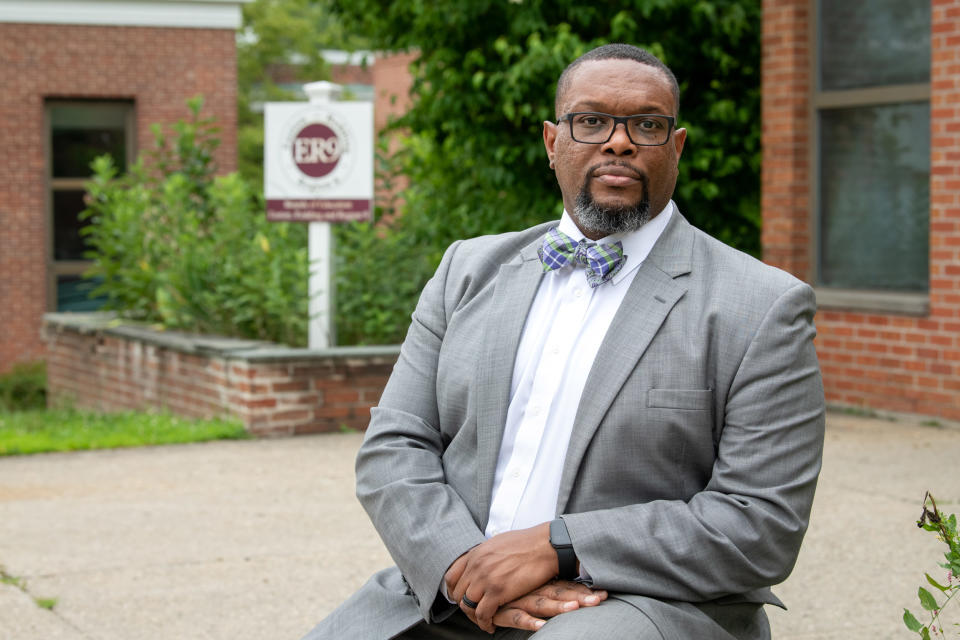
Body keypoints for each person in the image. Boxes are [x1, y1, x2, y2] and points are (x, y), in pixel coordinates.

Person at [301, 43, 824, 640]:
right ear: (553, 143)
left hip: (645, 604)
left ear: (675, 148)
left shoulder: (761, 306)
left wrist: (559, 547)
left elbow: (760, 523)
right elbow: (394, 447)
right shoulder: (466, 270)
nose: (619, 141)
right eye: (591, 120)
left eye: (647, 125)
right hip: (454, 589)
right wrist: (460, 566)